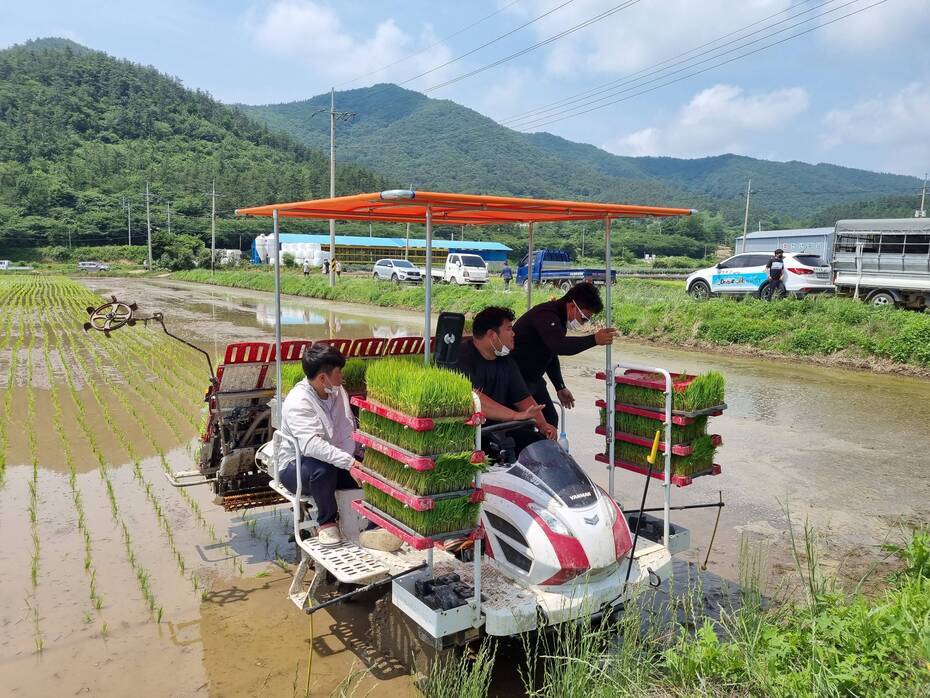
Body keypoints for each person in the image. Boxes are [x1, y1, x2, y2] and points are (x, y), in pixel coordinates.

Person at [276, 343, 399, 550]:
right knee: (322, 470)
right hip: (296, 467)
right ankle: (326, 522)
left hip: (333, 460)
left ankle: (373, 527)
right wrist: (349, 463)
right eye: (338, 372)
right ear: (323, 378)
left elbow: (346, 428)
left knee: (369, 473)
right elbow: (312, 446)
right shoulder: (298, 401)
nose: (342, 377)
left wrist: (359, 459)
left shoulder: (337, 391)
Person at [452, 307, 556, 457]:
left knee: (539, 442)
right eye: (509, 329)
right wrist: (515, 416)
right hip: (471, 437)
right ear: (492, 335)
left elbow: (524, 398)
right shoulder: (460, 358)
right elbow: (475, 399)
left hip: (502, 430)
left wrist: (543, 424)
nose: (514, 334)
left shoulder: (507, 362)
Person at [511, 283, 617, 428]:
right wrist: (594, 339)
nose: (583, 323)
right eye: (584, 318)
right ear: (573, 306)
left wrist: (560, 386)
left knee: (551, 420)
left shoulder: (559, 319)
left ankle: (547, 449)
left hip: (533, 378)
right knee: (529, 425)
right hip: (516, 379)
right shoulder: (545, 314)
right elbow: (559, 346)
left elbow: (550, 354)